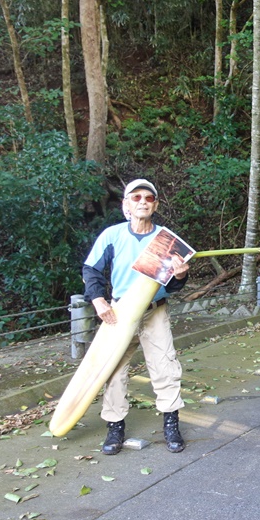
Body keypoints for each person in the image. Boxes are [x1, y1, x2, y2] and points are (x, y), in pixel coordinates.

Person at [83, 179, 190, 454]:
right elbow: (92, 270)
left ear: (155, 205)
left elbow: (173, 284)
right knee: (114, 370)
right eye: (136, 197)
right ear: (126, 205)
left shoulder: (165, 238)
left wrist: (180, 275)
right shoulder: (112, 235)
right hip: (119, 314)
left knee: (165, 367)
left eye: (149, 198)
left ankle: (171, 424)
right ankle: (115, 428)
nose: (143, 201)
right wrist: (98, 300)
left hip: (155, 312)